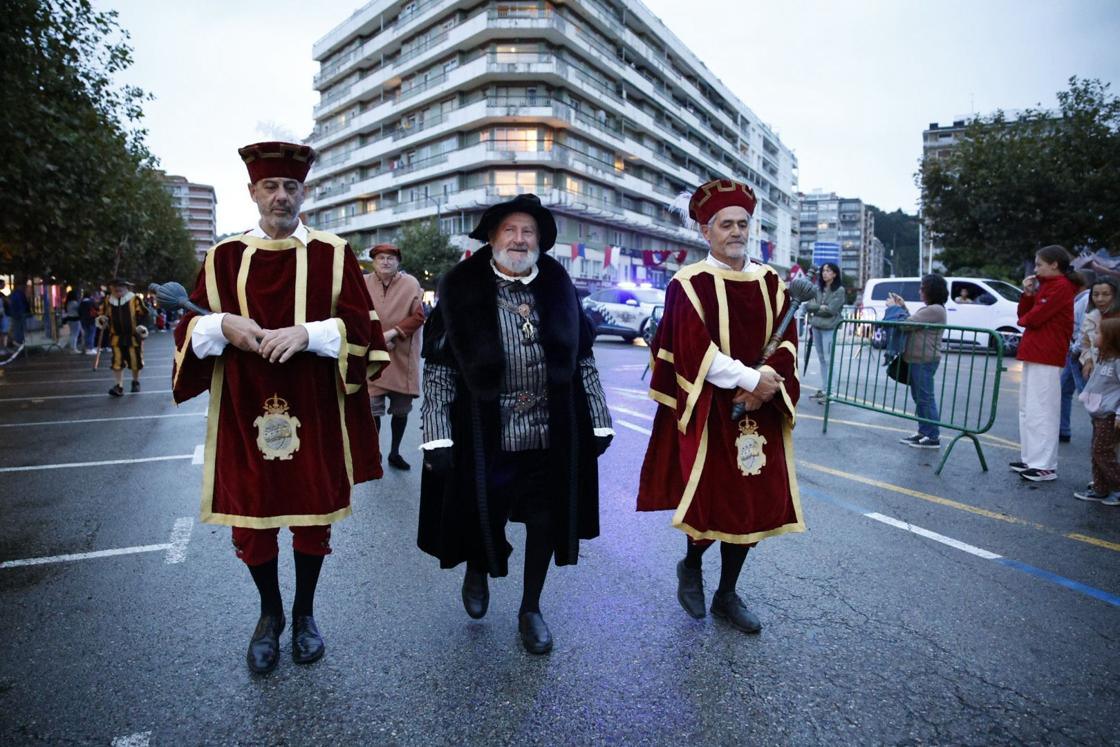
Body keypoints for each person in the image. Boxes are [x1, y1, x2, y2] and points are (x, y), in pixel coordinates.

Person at [172, 141, 389, 674]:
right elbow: (187, 329)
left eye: (290, 187)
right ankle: (269, 615)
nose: (280, 196)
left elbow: (365, 331)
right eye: (270, 186)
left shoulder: (334, 254)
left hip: (314, 410)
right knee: (252, 521)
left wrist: (309, 333)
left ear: (303, 192)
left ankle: (305, 613)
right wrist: (221, 324)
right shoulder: (224, 257)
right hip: (243, 410)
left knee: (313, 520)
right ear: (252, 192)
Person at [418, 193, 614, 655]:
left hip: (550, 430)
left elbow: (582, 357)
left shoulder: (558, 284)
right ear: (491, 237)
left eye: (529, 232)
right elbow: (439, 370)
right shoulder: (461, 288)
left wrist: (600, 419)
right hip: (485, 430)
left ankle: (531, 607)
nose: (520, 239)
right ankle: (478, 566)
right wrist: (436, 434)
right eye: (510, 230)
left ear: (540, 242)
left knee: (545, 517)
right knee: (484, 509)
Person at [637, 179, 802, 634]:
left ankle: (727, 594)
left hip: (761, 413)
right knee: (711, 501)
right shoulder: (688, 284)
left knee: (750, 506)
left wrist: (767, 386)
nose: (735, 232)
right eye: (725, 224)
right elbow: (693, 349)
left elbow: (788, 342)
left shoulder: (770, 281)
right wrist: (752, 380)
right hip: (712, 413)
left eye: (742, 224)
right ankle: (691, 564)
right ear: (706, 232)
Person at [1009, 245, 1078, 482]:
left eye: (1039, 264)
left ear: (1054, 265)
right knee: (1028, 408)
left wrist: (1030, 309)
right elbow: (1025, 315)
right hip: (1036, 351)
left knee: (1042, 410)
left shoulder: (1060, 287)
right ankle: (1031, 458)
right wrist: (1028, 294)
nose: (1036, 269)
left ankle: (1044, 465)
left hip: (1046, 353)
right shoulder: (1049, 286)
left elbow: (1032, 318)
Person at [363, 243, 425, 470]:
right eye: (381, 258)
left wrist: (391, 333)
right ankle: (374, 452)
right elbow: (354, 314)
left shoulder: (410, 283)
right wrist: (375, 339)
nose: (386, 261)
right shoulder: (363, 283)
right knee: (372, 408)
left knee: (401, 410)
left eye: (390, 258)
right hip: (372, 354)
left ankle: (395, 452)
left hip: (401, 354)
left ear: (398, 262)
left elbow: (418, 317)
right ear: (374, 262)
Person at [888, 276, 949, 448]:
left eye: (923, 288)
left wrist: (894, 309)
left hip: (924, 360)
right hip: (917, 359)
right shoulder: (930, 309)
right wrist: (902, 307)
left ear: (932, 290)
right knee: (919, 397)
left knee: (925, 398)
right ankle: (924, 431)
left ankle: (933, 436)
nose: (920, 291)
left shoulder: (935, 310)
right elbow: (914, 321)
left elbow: (905, 325)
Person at [1073, 317, 1120, 506]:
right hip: (1098, 414)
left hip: (1110, 416)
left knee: (1102, 452)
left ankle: (1117, 486)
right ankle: (1100, 489)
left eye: (1099, 333)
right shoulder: (1102, 357)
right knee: (1096, 451)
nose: (1095, 336)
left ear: (1111, 338)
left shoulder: (1117, 361)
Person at [96, 279, 149, 396]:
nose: (117, 288)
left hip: (133, 337)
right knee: (117, 361)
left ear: (126, 287)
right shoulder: (108, 300)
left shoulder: (134, 299)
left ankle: (135, 382)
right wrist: (102, 319)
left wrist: (141, 327)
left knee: (135, 361)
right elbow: (102, 315)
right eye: (114, 286)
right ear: (111, 288)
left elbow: (144, 314)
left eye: (120, 286)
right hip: (116, 337)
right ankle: (118, 386)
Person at [1059, 272, 1094, 442]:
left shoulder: (1086, 300)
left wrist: (1076, 349)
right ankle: (1062, 429)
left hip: (1079, 352)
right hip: (1074, 351)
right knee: (1064, 389)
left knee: (1088, 394)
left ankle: (1103, 432)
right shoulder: (1080, 300)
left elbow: (1085, 328)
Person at [804, 262, 844, 401]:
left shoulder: (839, 290)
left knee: (829, 360)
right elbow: (809, 305)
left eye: (828, 271)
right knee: (822, 359)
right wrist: (821, 307)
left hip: (829, 328)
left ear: (834, 274)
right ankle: (825, 388)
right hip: (816, 327)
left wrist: (817, 307)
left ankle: (831, 393)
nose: (824, 273)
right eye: (823, 271)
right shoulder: (817, 288)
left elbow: (831, 310)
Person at [1077, 277, 1120, 379]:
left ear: (1116, 296)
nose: (1100, 299)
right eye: (1095, 295)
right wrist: (1088, 360)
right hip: (1098, 372)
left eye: (1106, 294)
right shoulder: (1090, 317)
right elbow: (1085, 343)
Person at [78, 288, 97, 354]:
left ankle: (86, 348)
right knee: (91, 334)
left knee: (86, 334)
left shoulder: (81, 303)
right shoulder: (91, 302)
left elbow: (79, 312)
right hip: (91, 320)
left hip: (83, 320)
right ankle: (90, 348)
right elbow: (97, 309)